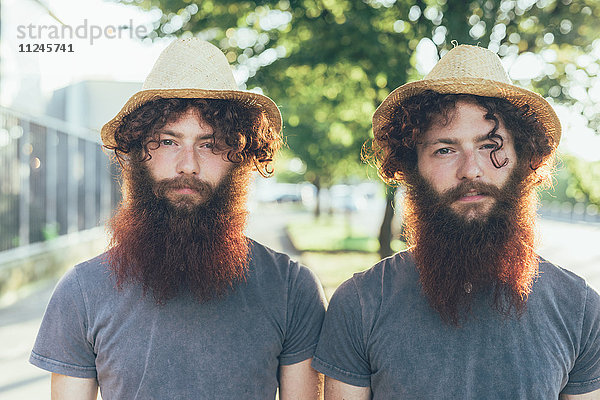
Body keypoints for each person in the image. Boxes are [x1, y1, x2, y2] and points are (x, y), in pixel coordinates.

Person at [30, 38, 327, 400]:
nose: (188, 164)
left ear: (240, 156)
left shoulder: (291, 289)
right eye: (168, 142)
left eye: (210, 144)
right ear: (138, 153)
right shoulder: (81, 292)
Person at [312, 44, 600, 399]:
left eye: (490, 145)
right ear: (412, 166)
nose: (470, 170)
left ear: (523, 158)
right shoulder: (360, 303)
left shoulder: (580, 307)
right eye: (445, 150)